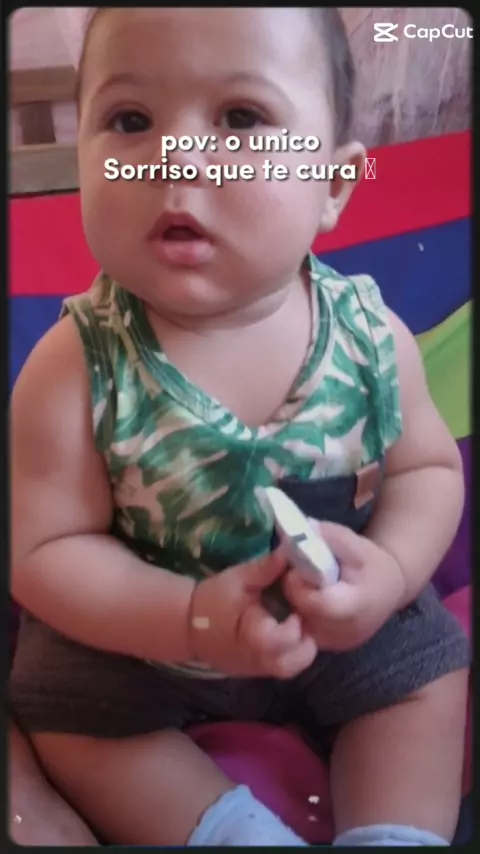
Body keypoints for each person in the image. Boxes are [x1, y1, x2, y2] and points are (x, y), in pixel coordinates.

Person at [10, 6, 470, 847]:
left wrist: (392, 572)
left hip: (335, 617)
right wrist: (187, 617)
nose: (178, 158)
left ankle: (393, 834)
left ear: (333, 186)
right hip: (144, 635)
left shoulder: (371, 337)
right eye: (131, 121)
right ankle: (230, 832)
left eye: (241, 118)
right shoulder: (76, 362)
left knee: (428, 673)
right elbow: (45, 551)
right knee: (62, 708)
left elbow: (428, 472)